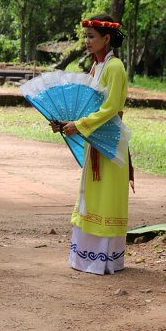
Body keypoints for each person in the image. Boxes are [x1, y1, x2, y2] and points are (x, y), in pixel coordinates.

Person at [55, 15, 130, 275]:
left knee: (106, 197)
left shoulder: (115, 67)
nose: (86, 41)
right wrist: (69, 122)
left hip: (109, 139)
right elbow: (90, 106)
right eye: (85, 36)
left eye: (91, 36)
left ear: (106, 38)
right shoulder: (96, 67)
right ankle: (88, 257)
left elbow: (110, 108)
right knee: (93, 195)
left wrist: (81, 125)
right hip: (95, 138)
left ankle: (104, 259)